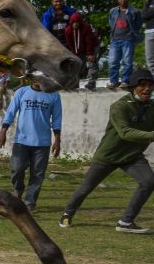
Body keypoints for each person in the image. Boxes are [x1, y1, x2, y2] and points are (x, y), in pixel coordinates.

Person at [60, 68, 154, 233]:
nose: (147, 88)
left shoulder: (152, 106)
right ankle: (67, 213)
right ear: (133, 87)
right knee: (86, 188)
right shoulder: (120, 106)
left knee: (149, 182)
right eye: (142, 85)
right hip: (109, 155)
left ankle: (126, 222)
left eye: (150, 85)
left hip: (133, 156)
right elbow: (124, 132)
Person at [0, 75, 63, 213]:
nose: (40, 82)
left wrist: (57, 139)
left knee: (38, 174)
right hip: (22, 140)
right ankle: (18, 189)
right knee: (17, 168)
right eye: (37, 79)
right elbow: (11, 112)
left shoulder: (54, 95)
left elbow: (57, 118)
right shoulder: (22, 92)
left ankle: (30, 202)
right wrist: (3, 131)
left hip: (43, 142)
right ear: (31, 79)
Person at [107, 0, 143, 90]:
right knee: (113, 61)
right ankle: (113, 81)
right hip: (115, 39)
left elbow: (138, 24)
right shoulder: (113, 11)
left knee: (127, 61)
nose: (123, 0)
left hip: (128, 39)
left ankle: (125, 81)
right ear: (118, 0)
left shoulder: (134, 11)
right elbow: (111, 23)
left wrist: (132, 33)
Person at [63, 11, 100, 90]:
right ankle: (74, 84)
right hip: (78, 49)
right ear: (71, 22)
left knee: (91, 62)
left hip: (93, 46)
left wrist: (90, 53)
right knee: (77, 65)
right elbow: (70, 44)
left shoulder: (86, 28)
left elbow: (89, 42)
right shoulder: (68, 30)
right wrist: (73, 55)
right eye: (74, 22)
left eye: (77, 22)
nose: (75, 24)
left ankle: (91, 82)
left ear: (80, 22)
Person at [143, 0, 154, 71]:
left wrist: (150, 11)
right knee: (150, 59)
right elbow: (144, 15)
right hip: (149, 32)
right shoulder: (148, 1)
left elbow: (148, 14)